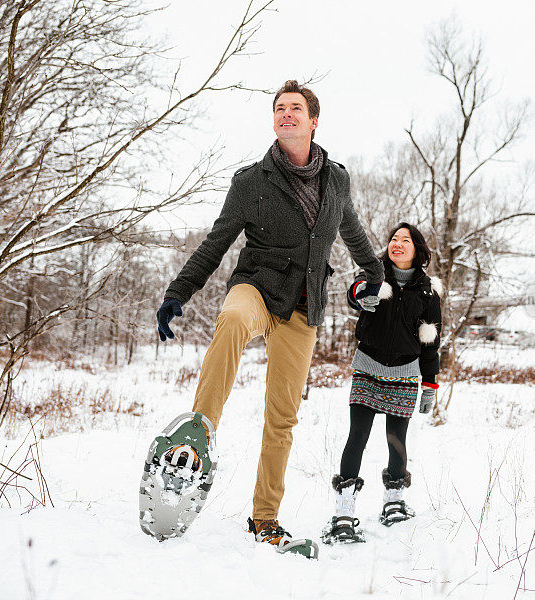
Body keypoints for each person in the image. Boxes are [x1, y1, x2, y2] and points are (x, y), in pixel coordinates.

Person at [155, 80, 384, 550]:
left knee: (282, 419)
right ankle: (196, 434)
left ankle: (265, 519)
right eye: (279, 108)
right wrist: (179, 292)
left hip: (304, 306)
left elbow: (353, 232)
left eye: (295, 108)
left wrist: (375, 270)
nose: (286, 114)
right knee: (234, 319)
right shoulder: (251, 182)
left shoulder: (336, 179)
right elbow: (215, 244)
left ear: (313, 121)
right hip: (256, 288)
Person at [322, 222, 442, 544]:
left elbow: (431, 342)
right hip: (368, 368)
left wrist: (430, 384)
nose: (397, 244)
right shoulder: (374, 274)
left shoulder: (428, 292)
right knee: (357, 437)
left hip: (405, 374)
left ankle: (394, 502)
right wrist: (363, 294)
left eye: (405, 240)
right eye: (393, 239)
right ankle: (343, 511)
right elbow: (354, 292)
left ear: (417, 250)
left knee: (396, 440)